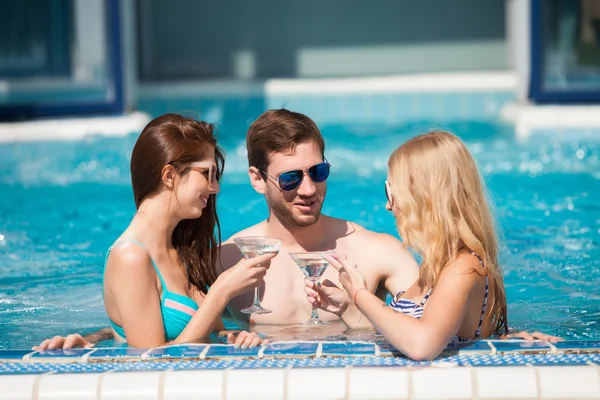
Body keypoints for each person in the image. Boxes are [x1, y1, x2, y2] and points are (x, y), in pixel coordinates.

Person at [308, 131, 561, 361]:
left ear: (422, 197)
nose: (388, 206)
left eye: (391, 192)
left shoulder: (465, 267)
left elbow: (422, 344)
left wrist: (361, 295)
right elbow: (400, 331)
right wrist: (347, 308)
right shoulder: (437, 267)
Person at [35, 114, 273, 350]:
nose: (215, 187)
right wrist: (221, 292)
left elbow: (211, 331)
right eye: (206, 173)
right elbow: (151, 360)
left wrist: (238, 336)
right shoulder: (130, 257)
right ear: (169, 175)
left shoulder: (182, 249)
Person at [218, 109, 419, 328]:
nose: (308, 189)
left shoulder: (377, 251)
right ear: (258, 180)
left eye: (318, 172)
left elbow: (428, 333)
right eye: (290, 178)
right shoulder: (225, 261)